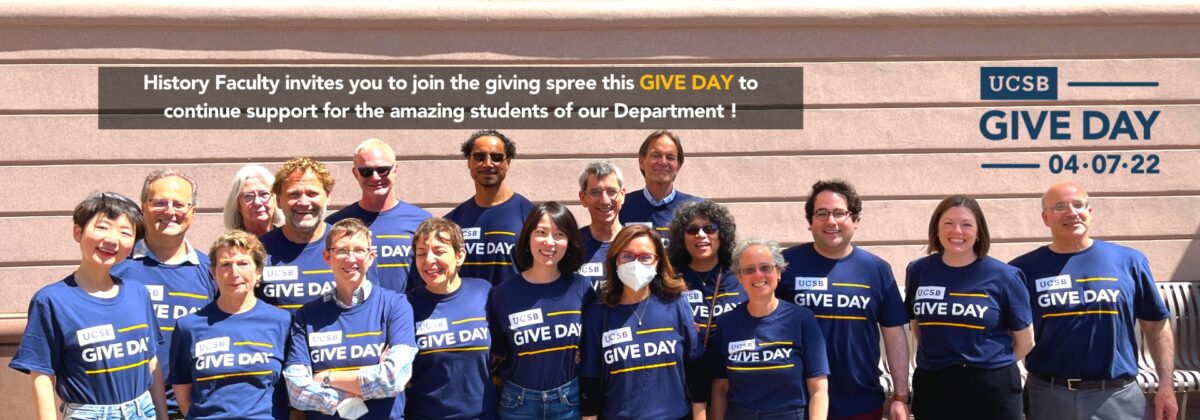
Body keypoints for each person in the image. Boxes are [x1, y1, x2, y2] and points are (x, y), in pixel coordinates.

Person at [1010, 181, 1176, 420]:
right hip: (1048, 396)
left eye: (1078, 205)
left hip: (1116, 396)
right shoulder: (1022, 269)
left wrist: (1166, 387)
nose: (1071, 212)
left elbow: (1157, 324)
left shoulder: (1129, 261)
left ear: (1090, 213)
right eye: (1060, 207)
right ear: (1045, 217)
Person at [11, 192, 168, 420]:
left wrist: (162, 415)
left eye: (125, 233)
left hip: (143, 411)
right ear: (78, 232)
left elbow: (151, 361)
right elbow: (42, 375)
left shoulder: (139, 293)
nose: (112, 239)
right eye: (103, 227)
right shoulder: (51, 301)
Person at [776, 180, 910, 420]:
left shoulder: (877, 269)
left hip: (860, 401)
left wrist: (900, 396)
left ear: (855, 220)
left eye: (840, 213)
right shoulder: (786, 264)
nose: (831, 221)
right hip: (795, 402)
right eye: (822, 213)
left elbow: (894, 334)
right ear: (810, 222)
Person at [904, 195, 1034, 420]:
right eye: (948, 223)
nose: (957, 231)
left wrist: (990, 364)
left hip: (992, 390)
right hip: (934, 384)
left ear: (979, 231)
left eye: (966, 224)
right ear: (936, 228)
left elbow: (1026, 341)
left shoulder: (1005, 276)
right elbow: (918, 328)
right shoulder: (918, 271)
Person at [283, 218, 417, 420]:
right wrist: (355, 396)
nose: (351, 258)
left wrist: (326, 378)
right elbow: (296, 390)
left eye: (359, 250)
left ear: (371, 256)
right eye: (342, 250)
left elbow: (393, 378)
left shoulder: (395, 305)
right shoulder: (307, 315)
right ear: (327, 257)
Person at [111, 169, 216, 416]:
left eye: (179, 204)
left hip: (192, 406)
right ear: (143, 207)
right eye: (159, 203)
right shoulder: (116, 268)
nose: (170, 211)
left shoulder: (211, 271)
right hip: (131, 408)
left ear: (193, 212)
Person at [580, 224, 704, 420]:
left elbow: (696, 368)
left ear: (658, 262)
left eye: (645, 257)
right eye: (627, 256)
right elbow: (591, 378)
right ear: (615, 260)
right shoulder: (598, 313)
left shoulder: (677, 305)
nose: (636, 264)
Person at [486, 201, 594, 419]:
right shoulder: (502, 294)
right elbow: (498, 352)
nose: (549, 242)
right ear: (528, 237)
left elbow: (591, 346)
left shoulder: (582, 287)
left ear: (569, 241)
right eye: (541, 232)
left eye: (559, 234)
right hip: (517, 403)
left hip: (568, 401)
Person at [168, 230, 290, 420]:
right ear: (213, 273)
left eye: (243, 263)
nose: (234, 273)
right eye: (225, 265)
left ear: (258, 271)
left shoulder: (282, 321)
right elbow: (183, 395)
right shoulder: (189, 326)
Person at [710, 238, 830, 420]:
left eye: (766, 268)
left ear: (779, 272)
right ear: (739, 277)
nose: (758, 275)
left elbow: (819, 389)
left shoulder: (802, 319)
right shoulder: (727, 323)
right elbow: (720, 387)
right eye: (749, 270)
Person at [406, 218, 496, 419]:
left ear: (459, 255)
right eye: (421, 253)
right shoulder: (406, 305)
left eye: (439, 251)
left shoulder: (483, 292)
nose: (429, 260)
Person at [666, 200, 745, 415]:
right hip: (684, 383)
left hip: (734, 383)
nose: (701, 235)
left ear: (722, 234)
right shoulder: (669, 277)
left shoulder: (741, 274)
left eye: (709, 228)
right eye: (692, 230)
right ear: (682, 237)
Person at [260, 157, 368, 312]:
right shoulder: (258, 251)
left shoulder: (353, 247)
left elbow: (369, 309)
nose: (304, 202)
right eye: (294, 194)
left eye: (312, 193)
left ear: (328, 196)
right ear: (278, 200)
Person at [327, 138, 432, 293]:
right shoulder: (336, 224)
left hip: (411, 314)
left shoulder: (422, 221)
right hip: (355, 315)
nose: (375, 177)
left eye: (383, 170)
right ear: (356, 173)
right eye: (366, 171)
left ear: (395, 169)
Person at [445, 130, 534, 285]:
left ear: (508, 163)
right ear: (469, 161)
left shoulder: (531, 216)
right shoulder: (453, 221)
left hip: (514, 307)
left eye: (497, 157)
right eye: (479, 157)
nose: (488, 163)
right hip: (469, 309)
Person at [619, 130, 701, 242]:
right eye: (656, 155)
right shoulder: (622, 206)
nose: (663, 162)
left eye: (670, 157)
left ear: (678, 166)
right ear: (642, 162)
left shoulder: (696, 208)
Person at [576, 161, 626, 290]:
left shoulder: (638, 243)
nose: (604, 201)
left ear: (622, 195)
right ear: (583, 198)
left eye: (611, 191)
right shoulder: (572, 244)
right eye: (595, 192)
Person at [222, 164, 284, 236]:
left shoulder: (289, 241)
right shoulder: (232, 246)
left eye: (264, 194)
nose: (257, 202)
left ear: (275, 199)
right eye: (248, 196)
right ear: (238, 206)